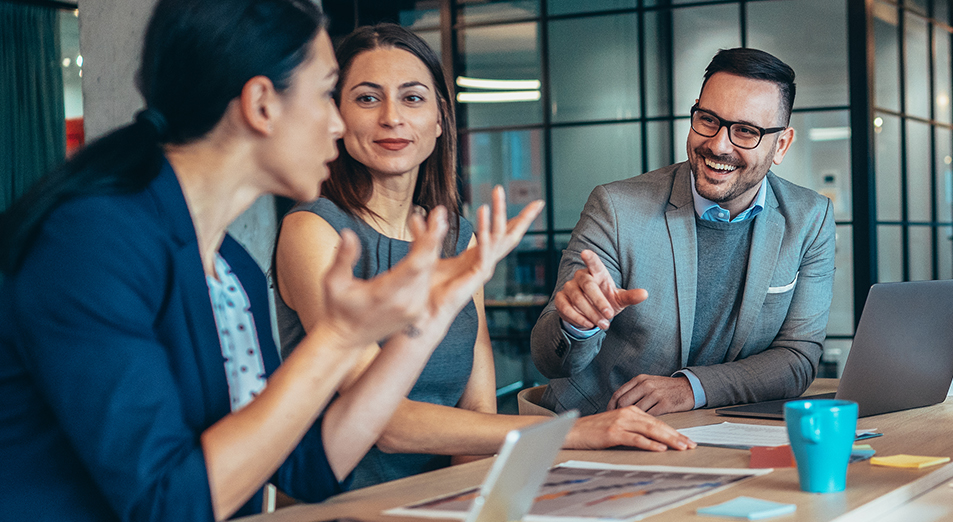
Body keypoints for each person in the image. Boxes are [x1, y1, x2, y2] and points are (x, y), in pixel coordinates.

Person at [0, 0, 538, 520]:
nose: (339, 123)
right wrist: (336, 339)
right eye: (331, 94)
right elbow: (165, 503)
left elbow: (306, 464)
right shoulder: (94, 242)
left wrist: (431, 313)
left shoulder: (228, 264)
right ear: (261, 105)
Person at [273, 24, 692, 489]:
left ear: (439, 119)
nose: (391, 117)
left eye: (412, 98)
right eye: (367, 98)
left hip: (442, 499)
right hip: (340, 502)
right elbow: (381, 421)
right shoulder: (313, 230)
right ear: (337, 116)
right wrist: (572, 432)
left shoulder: (457, 238)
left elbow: (477, 409)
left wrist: (470, 502)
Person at [528, 48, 835, 416]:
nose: (719, 145)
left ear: (780, 144)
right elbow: (550, 360)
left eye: (745, 131)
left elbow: (797, 358)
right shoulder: (616, 207)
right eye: (708, 120)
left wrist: (691, 389)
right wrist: (576, 326)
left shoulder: (809, 218)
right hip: (598, 430)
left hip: (715, 432)